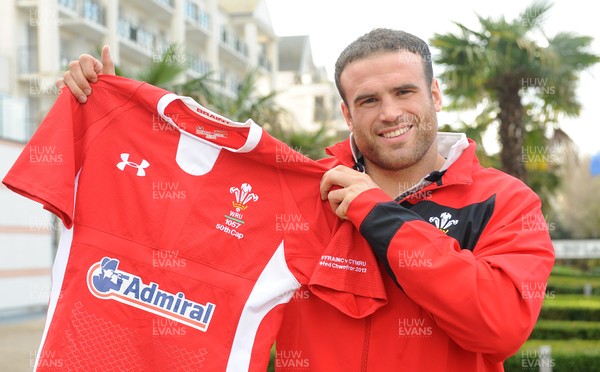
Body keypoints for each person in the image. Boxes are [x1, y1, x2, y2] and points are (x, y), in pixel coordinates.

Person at [56, 28, 554, 371]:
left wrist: (376, 214)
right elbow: (181, 248)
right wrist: (114, 127)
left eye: (405, 92)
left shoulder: (506, 200)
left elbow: (499, 324)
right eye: (368, 100)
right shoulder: (301, 194)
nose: (390, 112)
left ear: (436, 95)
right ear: (345, 111)